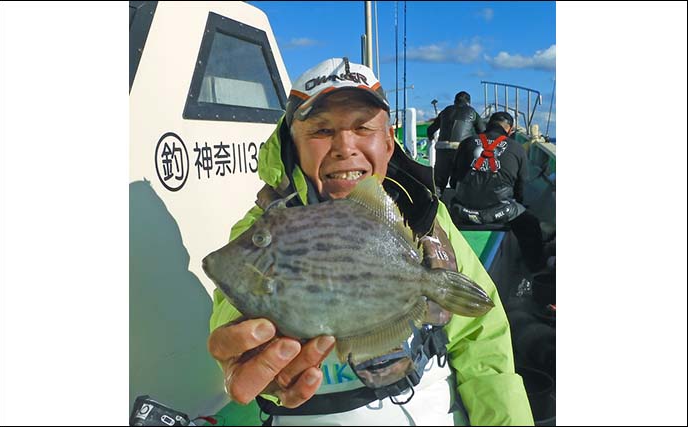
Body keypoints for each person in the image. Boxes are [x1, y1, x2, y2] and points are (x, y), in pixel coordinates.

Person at [208, 58, 533, 426]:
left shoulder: (425, 216)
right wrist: (246, 354)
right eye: (321, 130)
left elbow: (483, 348)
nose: (345, 146)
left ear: (389, 142)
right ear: (292, 144)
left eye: (363, 127)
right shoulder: (262, 227)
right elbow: (233, 312)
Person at [449, 111, 546, 273]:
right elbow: (520, 188)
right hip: (500, 212)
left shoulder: (466, 143)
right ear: (510, 130)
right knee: (530, 223)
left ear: (488, 125)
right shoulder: (517, 148)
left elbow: (453, 182)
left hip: (463, 211)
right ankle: (534, 267)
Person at [426, 91, 485, 195]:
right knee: (460, 179)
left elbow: (431, 129)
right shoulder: (472, 113)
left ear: (454, 101)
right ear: (469, 102)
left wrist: (431, 138)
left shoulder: (445, 111)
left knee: (439, 183)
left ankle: (434, 204)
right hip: (462, 149)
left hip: (442, 148)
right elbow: (483, 132)